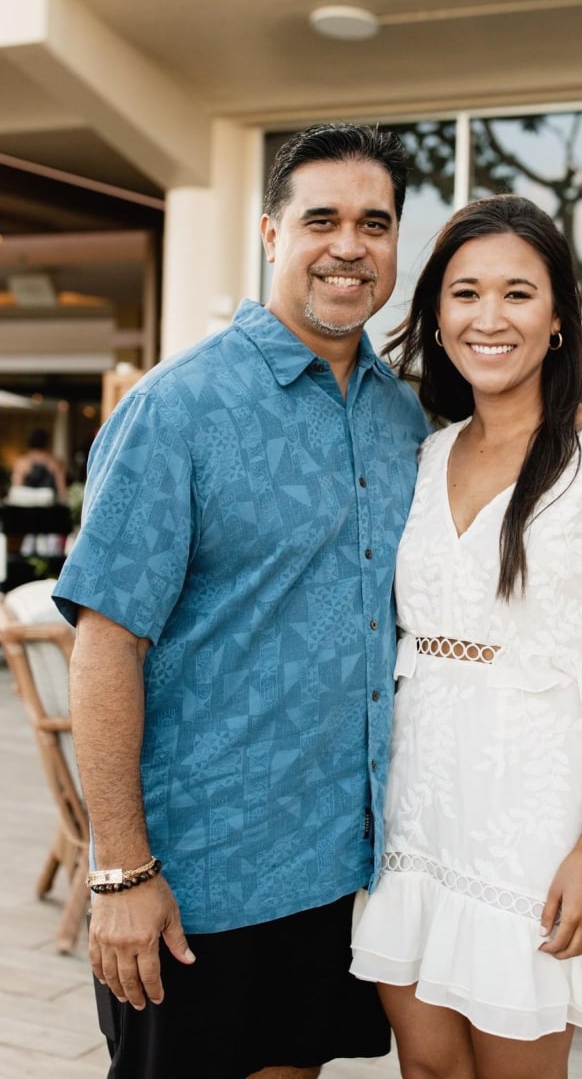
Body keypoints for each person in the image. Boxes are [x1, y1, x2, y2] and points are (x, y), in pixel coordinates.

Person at [53, 123, 430, 1079]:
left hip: (329, 867)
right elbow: (103, 646)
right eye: (323, 219)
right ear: (271, 235)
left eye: (375, 223)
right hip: (194, 878)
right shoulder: (175, 408)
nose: (350, 244)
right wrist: (121, 871)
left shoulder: (402, 417)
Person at [349, 194, 582, 1079]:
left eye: (518, 294)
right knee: (430, 1067)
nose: (490, 318)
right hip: (416, 799)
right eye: (465, 293)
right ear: (437, 316)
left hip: (533, 814)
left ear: (559, 315)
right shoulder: (426, 454)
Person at [10, 428, 67, 502]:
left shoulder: (22, 463)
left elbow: (17, 488)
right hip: (50, 508)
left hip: (27, 508)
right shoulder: (55, 463)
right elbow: (62, 490)